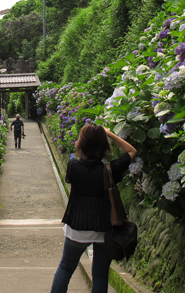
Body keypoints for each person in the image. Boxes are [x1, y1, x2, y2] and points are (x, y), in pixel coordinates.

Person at [50, 124, 138, 293]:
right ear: (103, 145)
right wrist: (110, 134)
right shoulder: (110, 169)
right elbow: (132, 151)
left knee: (65, 269)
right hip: (103, 230)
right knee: (99, 275)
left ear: (81, 143)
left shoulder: (73, 167)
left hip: (77, 227)